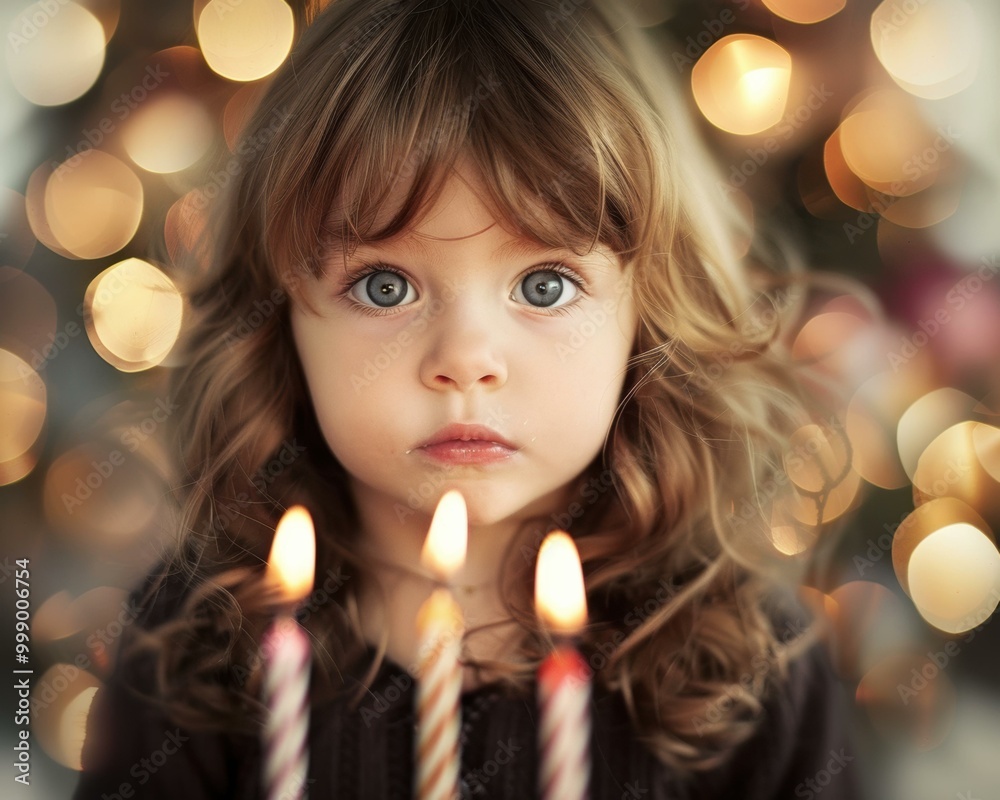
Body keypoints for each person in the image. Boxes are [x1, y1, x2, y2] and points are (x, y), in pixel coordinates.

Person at [74, 1, 864, 797]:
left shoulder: (752, 667)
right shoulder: (197, 646)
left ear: (648, 315)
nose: (465, 362)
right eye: (384, 286)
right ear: (280, 323)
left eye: (545, 284)